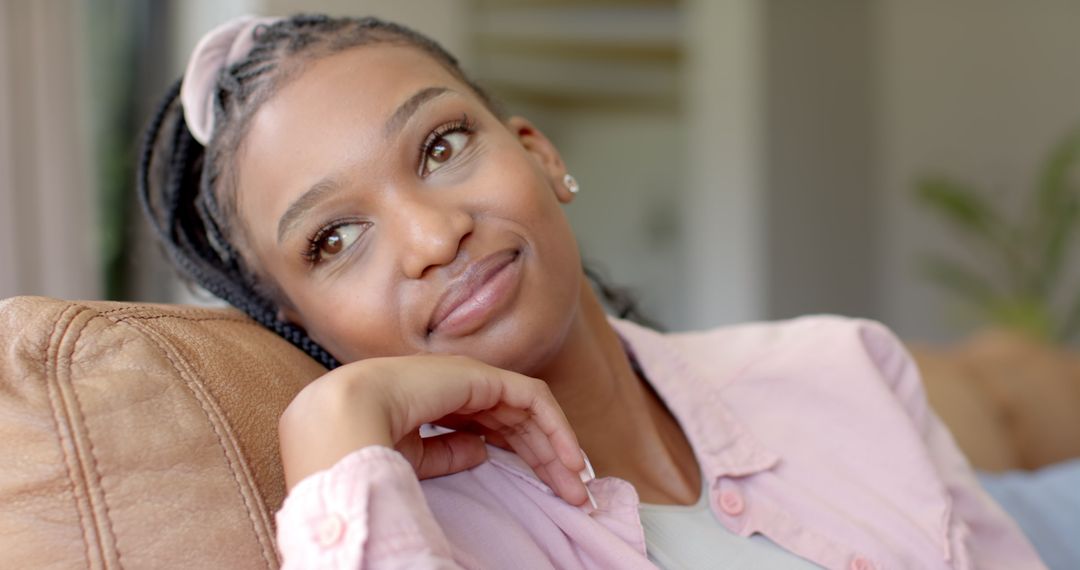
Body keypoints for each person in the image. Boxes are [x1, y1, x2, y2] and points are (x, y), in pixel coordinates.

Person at [138, 13, 1045, 570]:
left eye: (442, 146)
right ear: (302, 322)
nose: (433, 237)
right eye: (334, 240)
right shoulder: (409, 529)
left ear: (538, 154)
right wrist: (333, 432)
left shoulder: (846, 368)